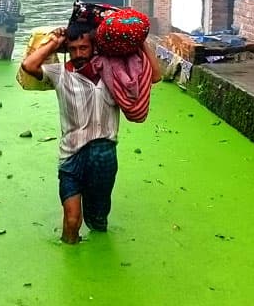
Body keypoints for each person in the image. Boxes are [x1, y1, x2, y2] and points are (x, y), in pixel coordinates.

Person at [20, 22, 161, 244]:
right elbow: (28, 65)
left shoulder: (114, 74)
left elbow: (154, 75)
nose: (78, 54)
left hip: (104, 156)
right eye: (73, 49)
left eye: (83, 48)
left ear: (94, 47)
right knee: (72, 220)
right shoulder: (60, 75)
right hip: (71, 157)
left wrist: (140, 41)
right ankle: (70, 263)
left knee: (98, 220)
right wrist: (55, 42)